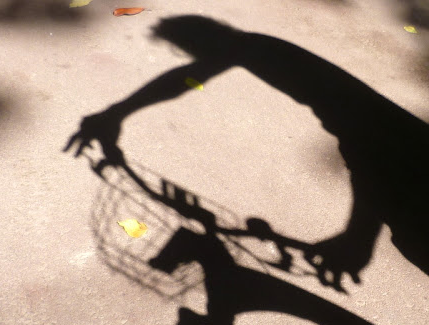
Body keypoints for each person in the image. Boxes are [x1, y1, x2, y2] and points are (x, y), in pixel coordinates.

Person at [66, 15, 429, 289]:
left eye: (189, 50)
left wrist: (357, 238)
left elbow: (371, 152)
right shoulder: (258, 51)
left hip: (404, 161)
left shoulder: (254, 50)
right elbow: (188, 79)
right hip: (402, 155)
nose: (197, 63)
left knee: (414, 237)